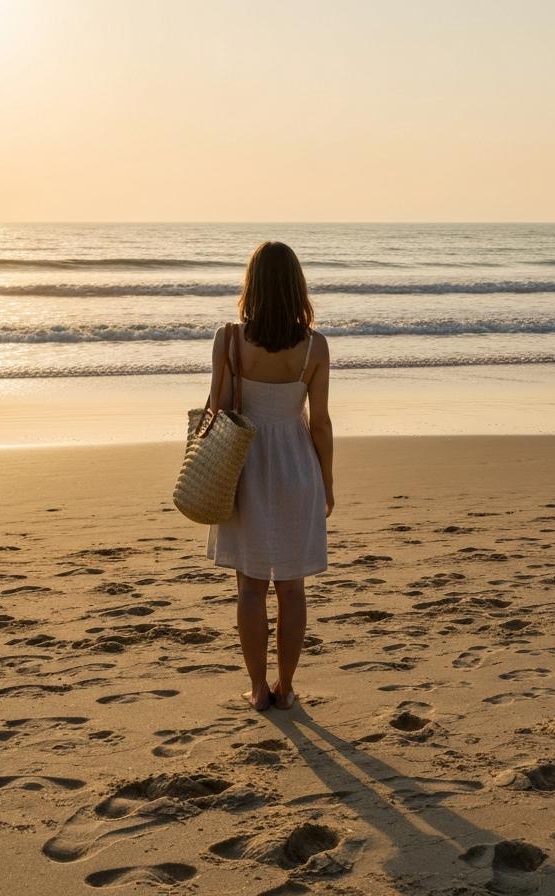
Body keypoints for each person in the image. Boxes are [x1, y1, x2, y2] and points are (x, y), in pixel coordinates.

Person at [205, 241, 334, 711]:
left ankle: (257, 689)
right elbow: (319, 422)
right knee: (293, 586)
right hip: (299, 468)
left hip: (246, 468)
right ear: (297, 287)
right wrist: (329, 480)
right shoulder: (314, 347)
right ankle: (287, 688)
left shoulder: (228, 340)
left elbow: (218, 410)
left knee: (250, 587)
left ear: (251, 286)